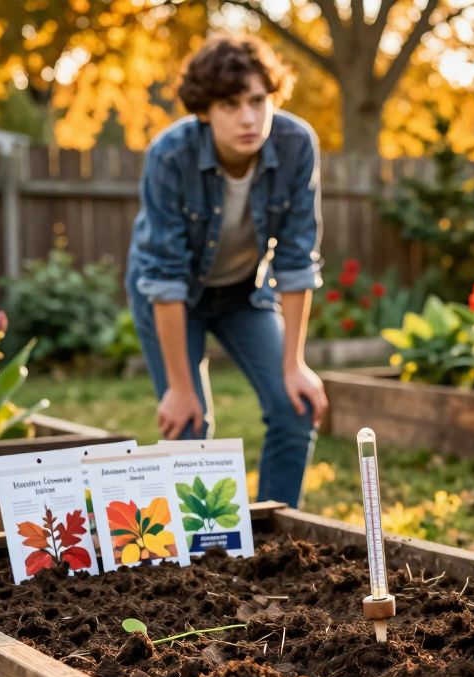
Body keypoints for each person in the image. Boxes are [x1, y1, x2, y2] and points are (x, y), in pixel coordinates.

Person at [125, 35, 328, 508]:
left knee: (294, 407)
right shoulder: (170, 155)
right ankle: (200, 559)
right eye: (230, 104)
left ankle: (275, 533)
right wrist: (178, 388)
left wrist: (294, 365)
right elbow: (164, 277)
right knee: (190, 427)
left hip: (243, 293)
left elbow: (297, 261)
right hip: (171, 298)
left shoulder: (296, 144)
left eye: (259, 101)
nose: (249, 118)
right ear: (204, 110)